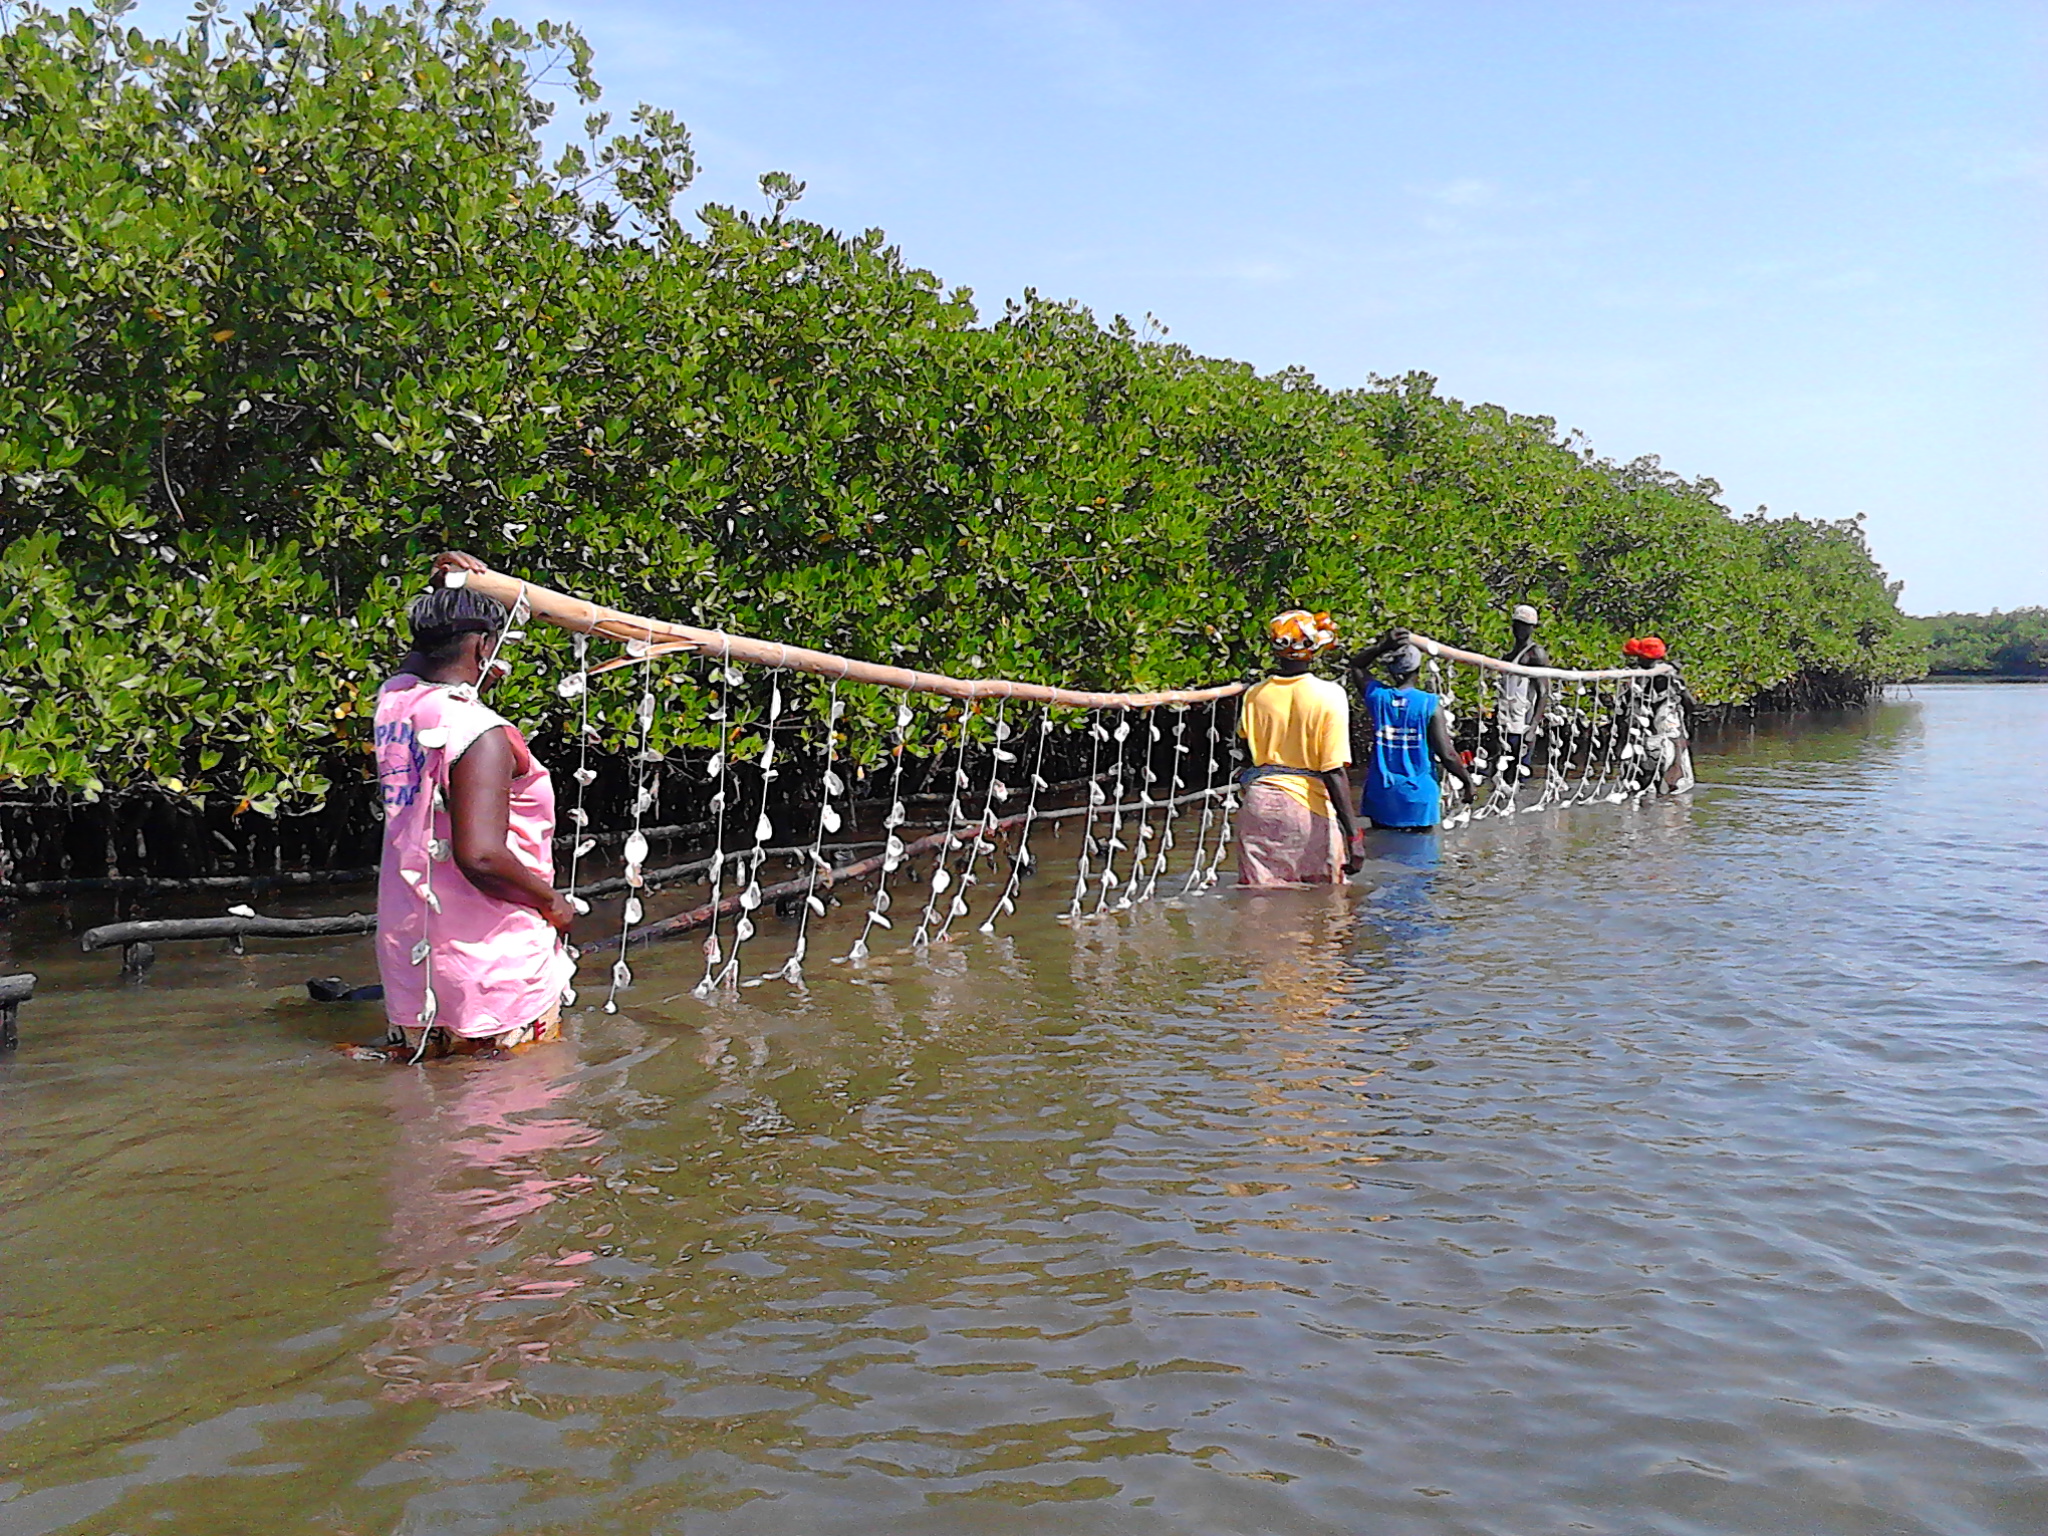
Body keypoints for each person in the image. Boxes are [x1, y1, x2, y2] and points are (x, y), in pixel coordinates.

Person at [365, 551, 576, 1061]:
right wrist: (551, 902)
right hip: (491, 960)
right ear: (483, 646)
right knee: (517, 1114)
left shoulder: (394, 702)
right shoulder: (481, 732)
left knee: (431, 1109)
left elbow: (418, 660)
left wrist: (447, 589)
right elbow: (480, 855)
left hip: (413, 964)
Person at [1234, 610, 1363, 886]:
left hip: (1258, 805)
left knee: (1260, 900)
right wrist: (1354, 836)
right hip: (1307, 806)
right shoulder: (1330, 695)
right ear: (1314, 648)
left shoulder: (1254, 694)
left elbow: (1247, 753)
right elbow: (1333, 770)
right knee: (1325, 902)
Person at [1349, 631, 1480, 831]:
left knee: (1382, 854)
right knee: (1422, 857)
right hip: (1418, 796)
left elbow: (1357, 665)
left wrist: (1382, 646)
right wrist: (1468, 782)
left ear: (1392, 670)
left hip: (1382, 794)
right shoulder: (1429, 704)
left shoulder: (1378, 697)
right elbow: (1447, 754)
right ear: (1417, 670)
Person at [1623, 635, 1697, 793]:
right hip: (1663, 730)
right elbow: (1690, 703)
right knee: (1668, 771)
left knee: (1645, 770)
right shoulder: (1668, 675)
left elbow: (1626, 706)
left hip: (1652, 730)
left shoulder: (1641, 676)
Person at [1493, 603, 1552, 785]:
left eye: (1525, 626)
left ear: (1533, 628)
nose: (1520, 630)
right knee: (1502, 774)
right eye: (1517, 625)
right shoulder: (1508, 656)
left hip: (1522, 725)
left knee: (1519, 774)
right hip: (1504, 724)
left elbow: (1544, 693)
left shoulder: (1535, 654)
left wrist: (1533, 727)